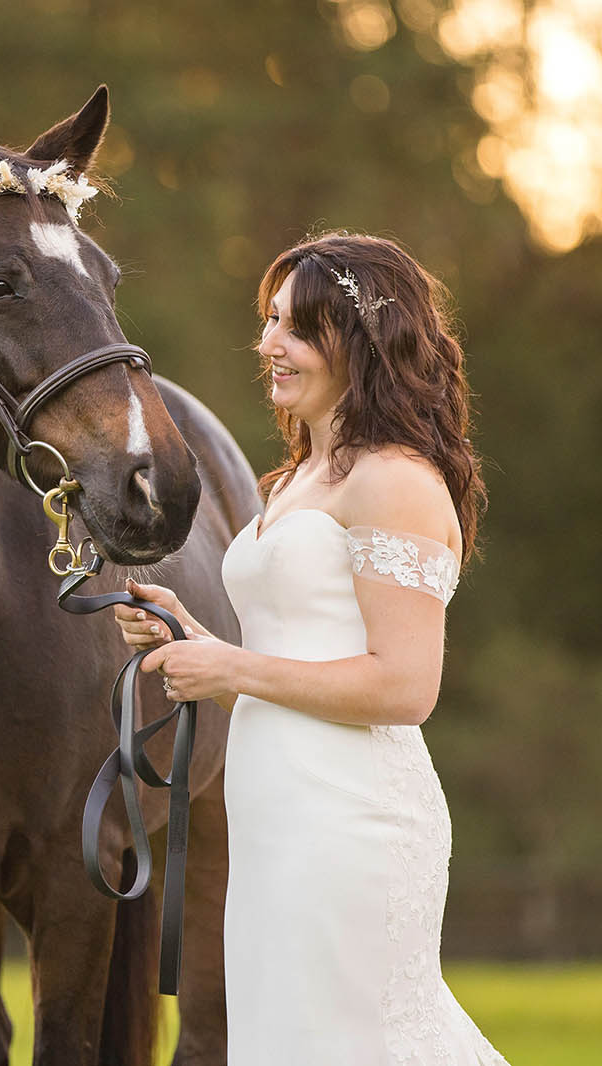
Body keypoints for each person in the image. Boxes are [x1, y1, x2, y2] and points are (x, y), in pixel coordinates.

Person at [113, 232, 509, 1063]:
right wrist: (193, 642)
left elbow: (406, 686)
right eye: (270, 322)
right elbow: (297, 651)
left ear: (358, 344)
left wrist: (231, 666)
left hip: (349, 819)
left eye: (294, 329)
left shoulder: (396, 479)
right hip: (275, 817)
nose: (268, 346)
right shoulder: (295, 479)